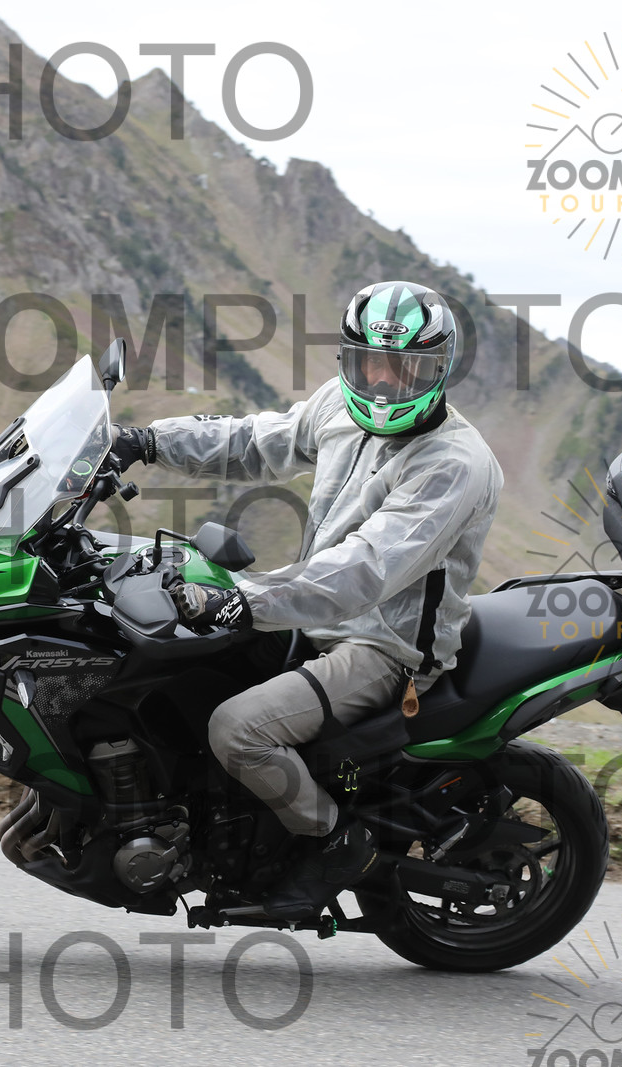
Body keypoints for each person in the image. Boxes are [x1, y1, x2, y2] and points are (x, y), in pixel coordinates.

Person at [108, 280, 503, 920]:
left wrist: (244, 599)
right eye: (369, 364)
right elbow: (252, 440)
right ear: (348, 360)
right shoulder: (338, 408)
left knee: (238, 730)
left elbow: (365, 570)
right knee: (167, 667)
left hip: (383, 647)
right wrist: (147, 442)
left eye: (404, 368)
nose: (383, 383)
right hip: (314, 619)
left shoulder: (454, 463)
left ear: (438, 369)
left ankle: (337, 845)